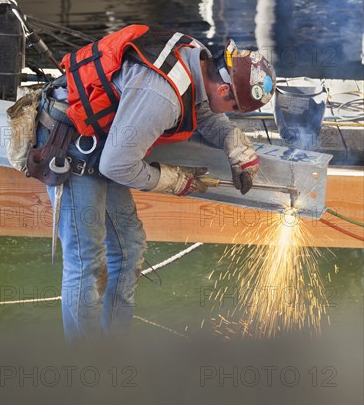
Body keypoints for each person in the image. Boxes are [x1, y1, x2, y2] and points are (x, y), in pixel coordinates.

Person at [35, 24, 276, 342]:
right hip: (73, 147)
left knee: (129, 248)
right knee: (86, 261)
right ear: (224, 89)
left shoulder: (196, 55)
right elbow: (116, 165)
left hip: (106, 139)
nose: (232, 113)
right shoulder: (160, 96)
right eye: (234, 109)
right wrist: (173, 181)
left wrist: (231, 138)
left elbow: (202, 111)